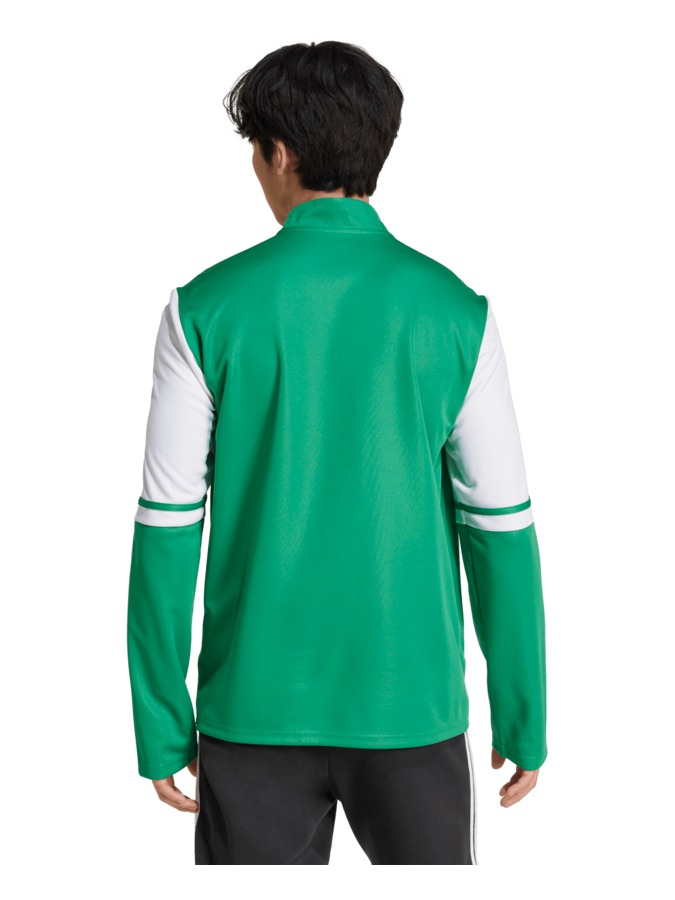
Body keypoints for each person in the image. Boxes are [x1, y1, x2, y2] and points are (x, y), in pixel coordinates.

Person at [126, 39, 547, 866]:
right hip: (412, 709)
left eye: (255, 149)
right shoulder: (457, 313)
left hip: (252, 713)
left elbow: (166, 530)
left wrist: (159, 724)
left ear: (279, 152)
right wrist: (522, 711)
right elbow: (500, 529)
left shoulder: (200, 311)